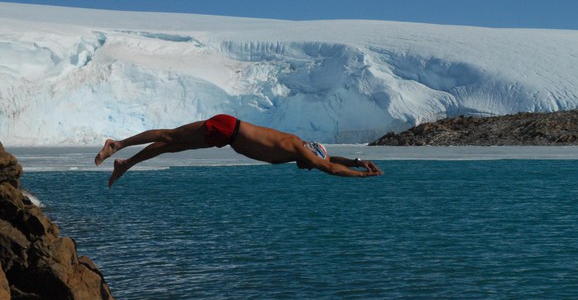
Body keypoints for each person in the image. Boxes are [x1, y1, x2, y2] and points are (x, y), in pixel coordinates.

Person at [95, 114, 383, 187]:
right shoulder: (298, 148)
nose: (309, 168)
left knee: (169, 148)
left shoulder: (300, 149)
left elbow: (332, 160)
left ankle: (125, 164)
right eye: (312, 165)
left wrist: (358, 161)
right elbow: (330, 167)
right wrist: (362, 177)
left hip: (226, 136)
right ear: (311, 156)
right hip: (227, 128)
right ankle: (117, 145)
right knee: (169, 137)